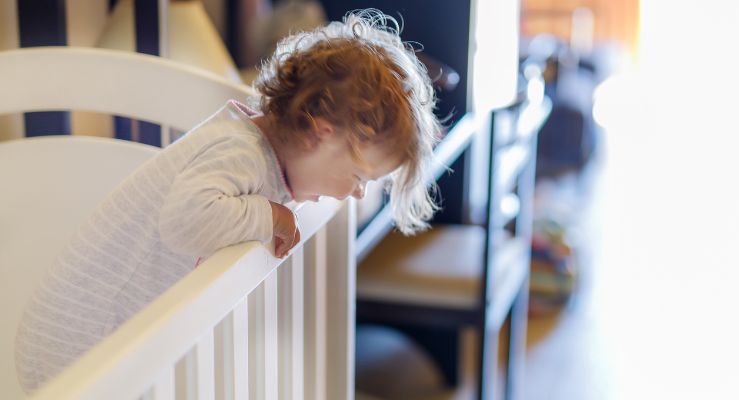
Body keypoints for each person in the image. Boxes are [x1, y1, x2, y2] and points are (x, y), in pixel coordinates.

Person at [15, 9, 441, 393]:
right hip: (79, 350)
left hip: (91, 343)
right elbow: (185, 220)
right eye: (358, 176)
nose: (356, 193)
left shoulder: (260, 146)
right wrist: (270, 214)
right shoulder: (242, 151)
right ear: (320, 134)